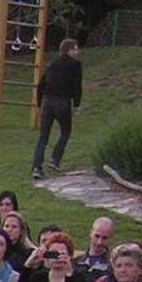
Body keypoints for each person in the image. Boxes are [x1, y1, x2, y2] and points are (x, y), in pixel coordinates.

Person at [32, 38, 83, 178]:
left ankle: (36, 167)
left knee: (43, 136)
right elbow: (77, 86)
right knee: (66, 131)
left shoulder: (52, 64)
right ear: (69, 50)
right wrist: (77, 105)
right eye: (76, 49)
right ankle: (55, 159)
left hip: (47, 101)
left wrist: (39, 104)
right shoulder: (75, 65)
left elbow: (41, 85)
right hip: (62, 102)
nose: (78, 52)